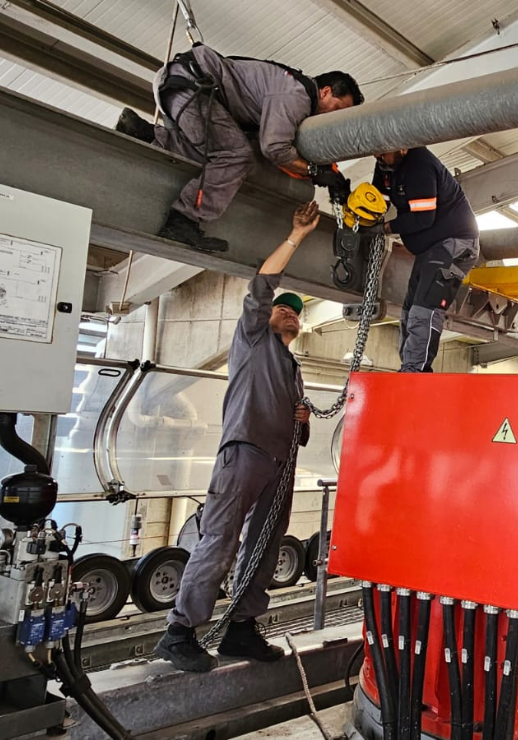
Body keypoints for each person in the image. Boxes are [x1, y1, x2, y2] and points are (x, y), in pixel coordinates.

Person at [154, 202, 320, 672]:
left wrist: (302, 417)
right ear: (267, 316)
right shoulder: (252, 339)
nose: (290, 315)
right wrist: (296, 235)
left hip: (279, 466)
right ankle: (179, 631)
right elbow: (262, 286)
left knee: (266, 543)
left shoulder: (293, 368)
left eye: (296, 313)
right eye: (284, 310)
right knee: (221, 539)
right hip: (244, 454)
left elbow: (298, 433)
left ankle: (242, 630)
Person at [115, 44, 359, 253]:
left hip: (180, 83)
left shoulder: (289, 90)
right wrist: (314, 170)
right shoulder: (297, 95)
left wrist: (322, 172)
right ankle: (183, 220)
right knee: (236, 156)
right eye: (337, 108)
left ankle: (143, 133)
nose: (333, 117)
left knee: (215, 153)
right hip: (193, 85)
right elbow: (274, 148)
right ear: (325, 91)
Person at [371, 147, 480, 372]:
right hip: (430, 250)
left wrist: (384, 228)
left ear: (402, 147)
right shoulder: (386, 164)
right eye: (375, 153)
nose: (378, 157)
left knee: (424, 309)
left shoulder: (419, 165)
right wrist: (364, 214)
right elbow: (377, 199)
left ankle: (415, 371)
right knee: (409, 311)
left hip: (454, 244)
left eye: (383, 152)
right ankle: (409, 366)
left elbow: (423, 218)